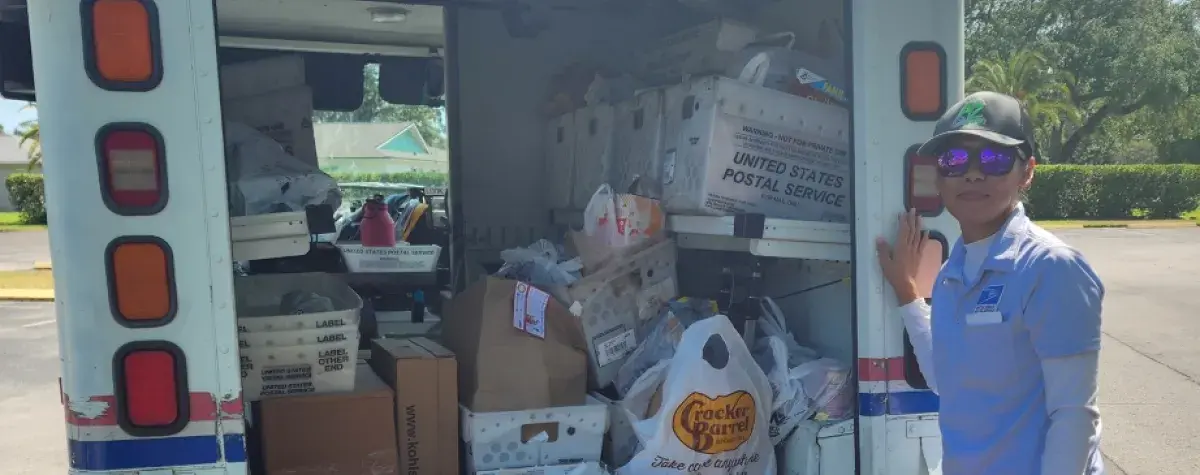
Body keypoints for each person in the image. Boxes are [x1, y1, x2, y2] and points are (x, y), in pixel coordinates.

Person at [875, 91, 1105, 475]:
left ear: (1027, 171)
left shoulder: (1051, 268)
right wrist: (907, 292)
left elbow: (1074, 414)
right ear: (939, 176)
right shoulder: (952, 275)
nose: (973, 173)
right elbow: (943, 378)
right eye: (955, 159)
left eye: (995, 159)